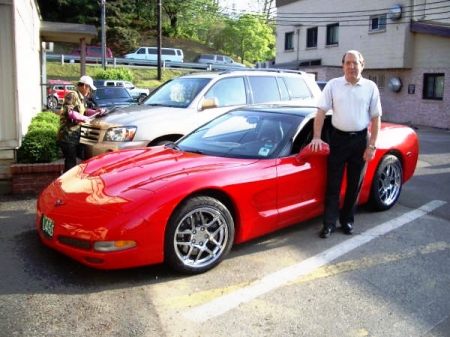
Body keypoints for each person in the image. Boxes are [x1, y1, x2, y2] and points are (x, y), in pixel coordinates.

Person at [309, 50, 382, 239]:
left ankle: (347, 221)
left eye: (355, 63)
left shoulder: (371, 87)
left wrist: (372, 145)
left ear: (362, 64)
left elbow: (376, 118)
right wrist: (316, 136)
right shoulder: (333, 85)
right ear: (342, 65)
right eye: (347, 63)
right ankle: (329, 224)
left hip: (360, 141)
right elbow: (321, 111)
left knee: (354, 185)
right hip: (338, 139)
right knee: (333, 184)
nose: (351, 66)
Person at [57, 75, 103, 172]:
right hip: (67, 136)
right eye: (89, 88)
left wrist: (95, 112)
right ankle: (68, 183)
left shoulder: (80, 97)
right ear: (85, 86)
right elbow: (67, 111)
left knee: (77, 160)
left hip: (74, 136)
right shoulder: (72, 95)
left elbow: (83, 111)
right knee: (70, 162)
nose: (89, 91)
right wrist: (83, 118)